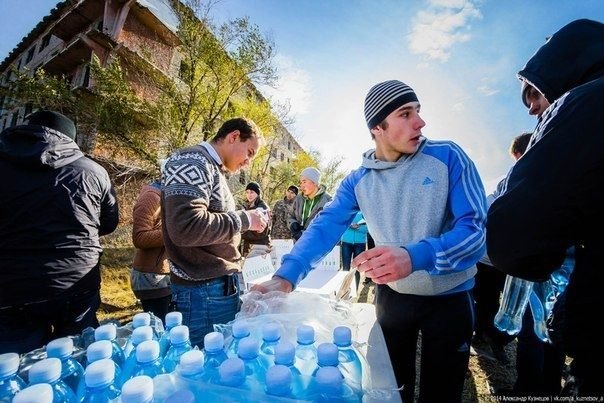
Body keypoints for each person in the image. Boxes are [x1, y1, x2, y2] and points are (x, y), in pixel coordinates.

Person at [254, 80, 487, 402]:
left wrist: (415, 256)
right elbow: (325, 227)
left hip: (451, 299)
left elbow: (476, 232)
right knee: (392, 388)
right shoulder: (358, 180)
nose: (420, 122)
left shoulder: (448, 156)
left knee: (443, 392)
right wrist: (286, 276)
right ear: (377, 126)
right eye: (406, 113)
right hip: (393, 297)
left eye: (418, 111)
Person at [487, 19, 604, 397]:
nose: (533, 110)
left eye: (534, 96)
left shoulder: (587, 103)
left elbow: (517, 243)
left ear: (567, 69)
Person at [0, 110, 119, 354]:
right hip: (76, 279)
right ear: (71, 139)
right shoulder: (93, 171)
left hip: (11, 285)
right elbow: (109, 222)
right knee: (76, 357)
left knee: (14, 368)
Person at [161, 117, 268, 348]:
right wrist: (245, 218)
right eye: (249, 152)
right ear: (233, 137)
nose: (248, 162)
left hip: (213, 288)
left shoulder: (210, 166)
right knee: (206, 368)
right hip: (203, 293)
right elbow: (186, 227)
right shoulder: (192, 161)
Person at [473, 133, 531, 364]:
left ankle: (494, 338)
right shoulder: (508, 181)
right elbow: (488, 209)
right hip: (491, 258)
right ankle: (484, 336)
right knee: (486, 300)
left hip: (509, 260)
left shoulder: (532, 179)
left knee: (502, 304)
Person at [130, 172, 171, 323]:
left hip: (165, 275)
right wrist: (174, 232)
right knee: (159, 328)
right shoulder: (151, 196)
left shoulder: (167, 195)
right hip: (151, 277)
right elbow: (140, 237)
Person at [288, 167, 332, 241]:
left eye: (304, 182)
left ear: (314, 182)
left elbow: (328, 224)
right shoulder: (298, 198)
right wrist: (293, 224)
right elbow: (290, 216)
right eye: (301, 183)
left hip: (316, 243)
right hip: (298, 242)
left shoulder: (328, 201)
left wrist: (307, 234)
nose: (301, 186)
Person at [240, 181, 271, 256]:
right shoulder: (247, 207)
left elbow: (261, 232)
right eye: (247, 192)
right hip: (249, 246)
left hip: (260, 247)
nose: (249, 195)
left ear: (258, 193)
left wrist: (240, 233)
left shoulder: (262, 208)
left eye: (252, 192)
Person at [340, 211, 367, 288]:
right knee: (345, 268)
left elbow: (369, 228)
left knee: (356, 269)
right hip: (346, 242)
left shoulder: (365, 211)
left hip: (360, 243)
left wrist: (359, 227)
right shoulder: (347, 209)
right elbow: (342, 223)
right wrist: (350, 225)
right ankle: (344, 290)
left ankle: (355, 290)